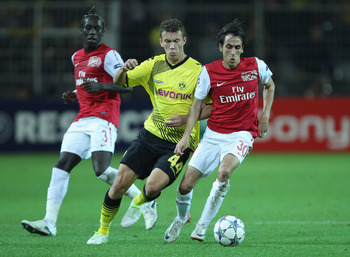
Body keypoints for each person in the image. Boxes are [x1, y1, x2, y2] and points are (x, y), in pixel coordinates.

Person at [21, 8, 158, 237]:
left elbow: (128, 86)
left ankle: (144, 200)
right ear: (81, 30)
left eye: (97, 28)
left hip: (103, 118)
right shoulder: (76, 57)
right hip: (82, 118)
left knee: (101, 170)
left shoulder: (110, 55)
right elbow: (85, 82)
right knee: (61, 165)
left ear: (102, 32)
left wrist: (103, 86)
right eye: (88, 27)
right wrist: (74, 93)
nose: (92, 31)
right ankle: (49, 222)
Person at [86, 18, 212, 245]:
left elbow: (212, 106)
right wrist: (124, 69)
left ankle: (142, 201)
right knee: (119, 185)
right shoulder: (153, 65)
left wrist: (185, 119)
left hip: (179, 142)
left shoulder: (199, 71)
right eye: (168, 42)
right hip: (149, 135)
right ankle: (102, 231)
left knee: (152, 186)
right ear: (160, 42)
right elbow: (119, 83)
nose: (172, 46)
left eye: (176, 41)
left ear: (184, 40)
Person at [164, 18, 275, 243]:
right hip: (213, 136)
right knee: (185, 186)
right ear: (220, 48)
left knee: (224, 172)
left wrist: (265, 116)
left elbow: (270, 85)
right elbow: (197, 106)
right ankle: (181, 218)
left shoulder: (255, 66)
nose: (232, 52)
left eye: (237, 47)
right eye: (228, 47)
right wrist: (186, 136)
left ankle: (201, 228)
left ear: (242, 48)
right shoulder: (208, 72)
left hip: (242, 134)